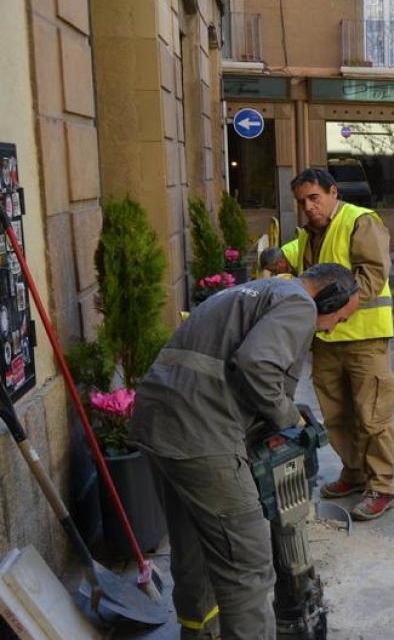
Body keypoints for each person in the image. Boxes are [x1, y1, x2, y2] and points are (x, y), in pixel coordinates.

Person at [129, 263, 361, 640]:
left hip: (158, 423)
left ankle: (199, 632)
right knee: (248, 563)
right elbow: (256, 364)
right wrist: (288, 419)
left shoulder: (256, 290)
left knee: (192, 546)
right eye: (339, 317)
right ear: (329, 297)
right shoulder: (300, 303)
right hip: (200, 432)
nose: (332, 328)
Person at [284, 167, 394, 520]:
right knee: (338, 416)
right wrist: (272, 258)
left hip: (364, 339)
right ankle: (353, 473)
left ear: (333, 192)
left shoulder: (360, 221)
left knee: (371, 416)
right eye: (302, 201)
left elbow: (372, 276)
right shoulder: (308, 234)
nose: (309, 207)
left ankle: (381, 487)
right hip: (325, 342)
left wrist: (335, 316)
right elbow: (293, 262)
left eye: (315, 198)